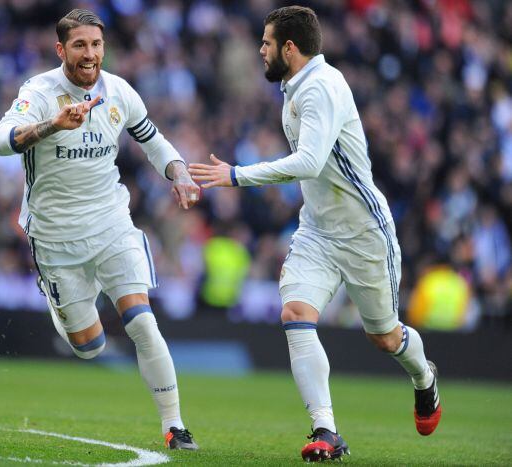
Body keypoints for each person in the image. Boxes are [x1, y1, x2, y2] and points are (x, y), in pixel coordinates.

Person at [189, 6, 441, 461]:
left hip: (364, 231)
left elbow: (309, 162)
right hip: (318, 232)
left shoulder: (321, 87)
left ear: (290, 47)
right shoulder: (296, 86)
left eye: (267, 43)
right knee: (295, 314)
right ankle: (326, 429)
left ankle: (424, 377)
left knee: (384, 337)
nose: (261, 51)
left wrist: (238, 175)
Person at [0, 9, 200, 450]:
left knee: (142, 321)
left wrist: (178, 171)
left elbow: (153, 140)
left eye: (97, 45)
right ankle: (58, 300)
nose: (90, 54)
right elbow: (0, 141)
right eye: (80, 45)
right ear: (61, 49)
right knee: (90, 347)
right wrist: (52, 125)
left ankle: (175, 426)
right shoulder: (41, 92)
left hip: (111, 223)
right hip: (54, 236)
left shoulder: (119, 91)